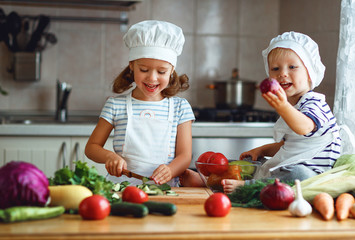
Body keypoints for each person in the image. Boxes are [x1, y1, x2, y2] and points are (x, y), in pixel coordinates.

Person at [181, 31, 341, 193]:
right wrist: (262, 150)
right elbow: (290, 146)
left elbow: (304, 127)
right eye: (275, 68)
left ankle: (245, 187)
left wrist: (283, 107)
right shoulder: (294, 106)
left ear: (309, 73)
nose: (282, 74)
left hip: (314, 177)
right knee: (260, 165)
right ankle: (211, 182)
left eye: (292, 67)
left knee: (298, 174)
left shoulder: (314, 102)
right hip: (291, 168)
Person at [85, 20, 195, 187]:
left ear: (171, 69)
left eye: (161, 71)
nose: (152, 78)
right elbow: (92, 147)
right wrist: (109, 156)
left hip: (165, 190)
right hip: (122, 189)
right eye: (144, 69)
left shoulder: (181, 108)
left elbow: (185, 155)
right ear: (132, 66)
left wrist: (171, 170)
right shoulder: (115, 105)